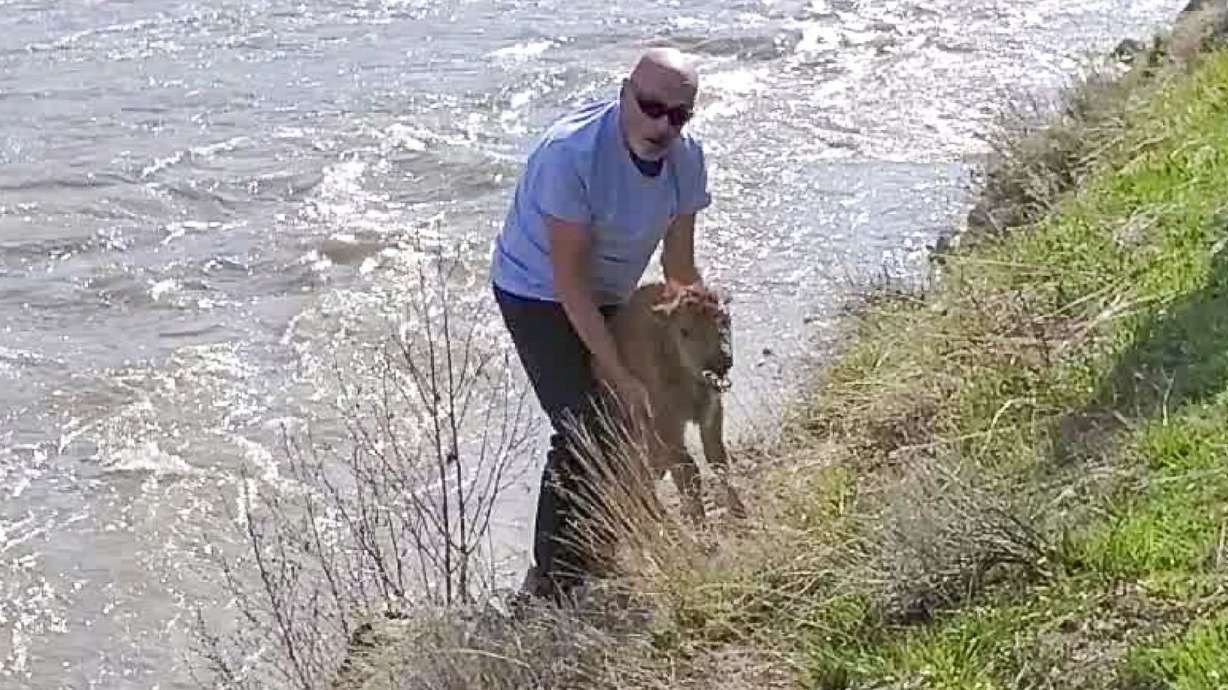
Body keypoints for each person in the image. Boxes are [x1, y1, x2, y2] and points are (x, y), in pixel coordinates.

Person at [489, 47, 712, 602]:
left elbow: (679, 268)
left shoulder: (686, 160)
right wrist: (620, 375)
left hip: (611, 289)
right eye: (651, 107)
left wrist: (704, 327)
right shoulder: (571, 155)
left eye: (678, 116)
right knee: (586, 423)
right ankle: (551, 585)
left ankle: (603, 543)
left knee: (648, 412)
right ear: (624, 94)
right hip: (537, 289)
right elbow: (570, 283)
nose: (662, 126)